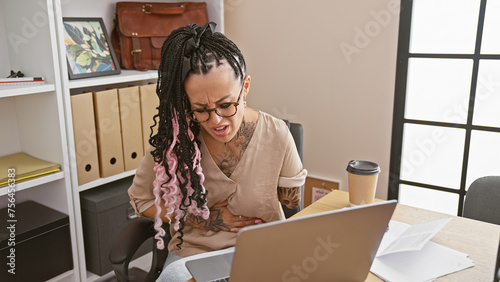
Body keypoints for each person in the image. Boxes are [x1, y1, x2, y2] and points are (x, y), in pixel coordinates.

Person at [128, 21, 307, 281]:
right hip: (194, 256)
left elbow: (292, 206)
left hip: (262, 254)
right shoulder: (177, 140)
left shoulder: (276, 133)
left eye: (226, 105)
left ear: (245, 87)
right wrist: (202, 218)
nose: (216, 121)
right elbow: (143, 201)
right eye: (200, 109)